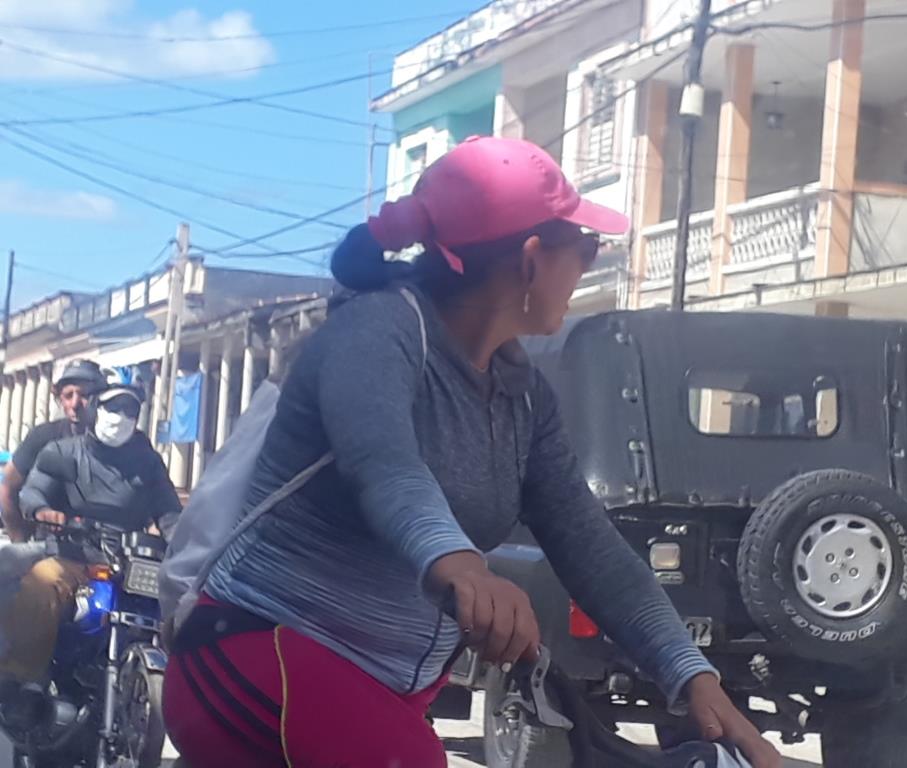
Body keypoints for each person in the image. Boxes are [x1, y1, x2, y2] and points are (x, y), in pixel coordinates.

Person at [162, 136, 782, 768]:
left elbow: (589, 545)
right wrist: (462, 564)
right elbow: (383, 463)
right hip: (258, 652)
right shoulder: (379, 332)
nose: (590, 267)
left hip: (373, 693)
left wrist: (694, 679)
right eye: (586, 249)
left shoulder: (523, 398)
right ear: (533, 259)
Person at [0, 377, 180, 683]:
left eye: (129, 410)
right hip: (71, 554)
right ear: (97, 409)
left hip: (128, 567)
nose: (120, 417)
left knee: (176, 611)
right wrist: (43, 511)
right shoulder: (63, 451)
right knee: (40, 588)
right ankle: (21, 681)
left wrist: (187, 545)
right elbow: (33, 491)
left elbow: (170, 514)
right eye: (113, 407)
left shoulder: (148, 463)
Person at [0, 359, 107, 543]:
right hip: (51, 548)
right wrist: (19, 540)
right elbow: (7, 489)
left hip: (105, 550)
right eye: (68, 395)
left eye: (84, 395)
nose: (75, 404)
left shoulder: (118, 441)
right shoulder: (43, 436)